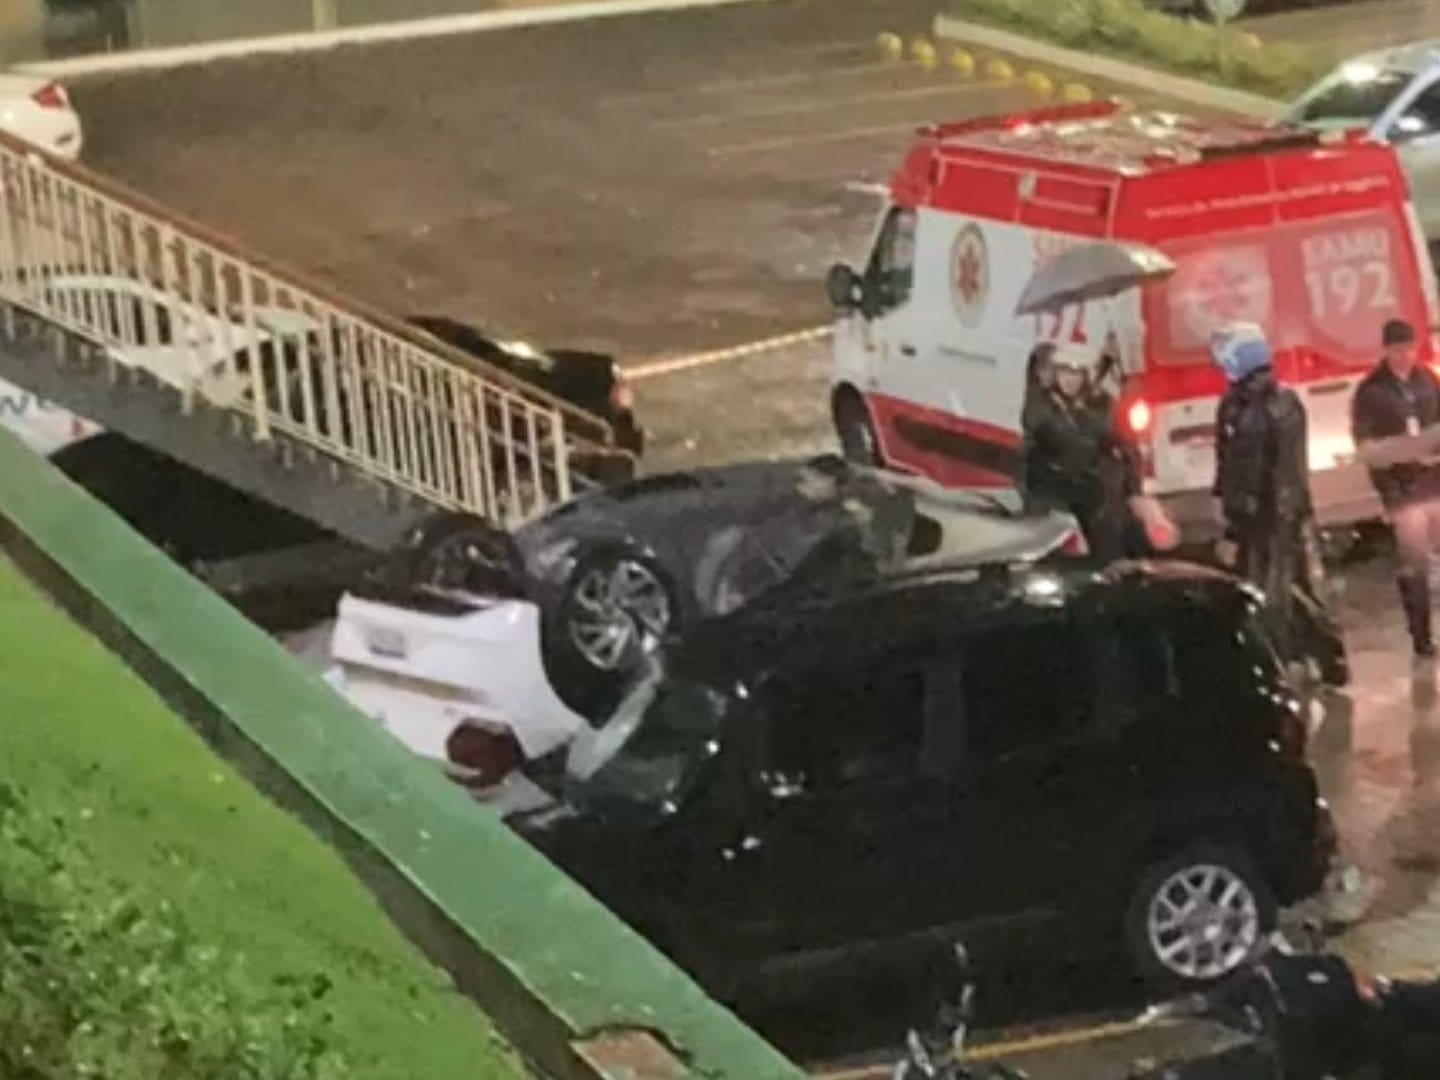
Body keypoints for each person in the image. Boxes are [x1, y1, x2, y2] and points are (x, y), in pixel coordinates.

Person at [1210, 322, 1345, 680]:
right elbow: (1233, 465)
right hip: (1278, 515)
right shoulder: (1252, 404)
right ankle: (1321, 660)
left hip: (1270, 519)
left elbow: (1257, 473)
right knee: (1292, 589)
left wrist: (1236, 526)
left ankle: (1294, 664)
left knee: (1277, 594)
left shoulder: (1262, 408)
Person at [1351, 317, 1440, 658]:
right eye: (1396, 349)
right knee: (1414, 565)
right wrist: (1390, 488)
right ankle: (1421, 637)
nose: (1403, 356)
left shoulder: (1428, 380)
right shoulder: (1371, 391)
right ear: (1386, 351)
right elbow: (1367, 447)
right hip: (1404, 491)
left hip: (1435, 482)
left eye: (1408, 348)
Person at [1019, 342, 1139, 562]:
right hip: (1053, 496)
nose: (1070, 380)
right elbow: (1045, 432)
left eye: (1076, 373)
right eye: (1064, 372)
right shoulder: (1042, 405)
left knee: (1107, 550)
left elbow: (1123, 443)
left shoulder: (1099, 405)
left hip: (1091, 495)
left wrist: (1132, 490)